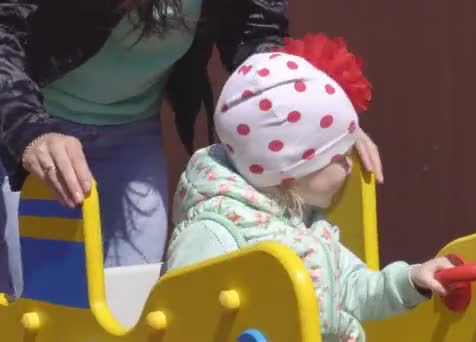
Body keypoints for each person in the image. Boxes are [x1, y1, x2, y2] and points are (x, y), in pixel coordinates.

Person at [0, 0, 383, 300]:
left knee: (135, 294)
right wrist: (28, 130)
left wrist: (321, 123)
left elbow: (256, 35)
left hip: (130, 130)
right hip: (27, 130)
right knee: (25, 297)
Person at [165, 33, 453, 342]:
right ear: (290, 171)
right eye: (339, 157)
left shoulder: (307, 227)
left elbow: (355, 287)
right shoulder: (214, 235)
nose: (349, 165)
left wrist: (412, 280)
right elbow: (185, 318)